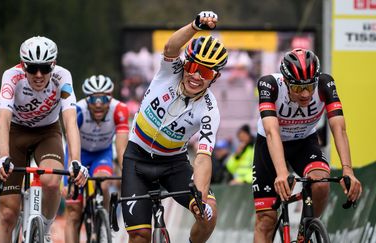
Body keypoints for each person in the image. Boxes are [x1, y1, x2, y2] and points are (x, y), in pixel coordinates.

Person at [121, 11, 228, 243]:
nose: (196, 76)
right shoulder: (171, 71)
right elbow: (171, 46)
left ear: (215, 77)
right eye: (193, 66)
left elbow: (203, 157)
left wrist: (199, 197)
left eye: (206, 72)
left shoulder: (210, 109)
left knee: (208, 214)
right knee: (140, 236)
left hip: (173, 164)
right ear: (186, 63)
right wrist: (195, 26)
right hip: (137, 159)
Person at [252, 48, 362, 243]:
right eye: (297, 88)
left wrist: (348, 170)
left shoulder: (325, 84)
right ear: (286, 82)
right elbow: (272, 131)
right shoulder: (269, 85)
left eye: (309, 87)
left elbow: (339, 128)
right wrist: (281, 172)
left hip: (304, 142)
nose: (304, 94)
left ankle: (305, 233)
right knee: (266, 220)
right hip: (269, 145)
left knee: (320, 184)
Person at [0, 36, 88, 243]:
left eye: (45, 68)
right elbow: (3, 121)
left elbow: (70, 121)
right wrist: (3, 157)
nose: (38, 75)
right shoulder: (11, 76)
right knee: (7, 214)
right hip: (15, 133)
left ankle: (45, 229)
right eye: (32, 68)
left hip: (47, 132)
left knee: (52, 182)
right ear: (23, 65)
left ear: (53, 65)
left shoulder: (63, 77)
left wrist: (76, 161)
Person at [64, 74, 129, 242]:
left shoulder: (120, 109)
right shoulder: (78, 110)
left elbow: (122, 149)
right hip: (78, 155)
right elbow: (71, 145)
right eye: (93, 100)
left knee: (103, 182)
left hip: (102, 154)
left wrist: (128, 174)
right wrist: (67, 176)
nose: (98, 104)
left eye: (103, 99)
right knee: (73, 212)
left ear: (111, 97)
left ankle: (103, 216)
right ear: (87, 100)